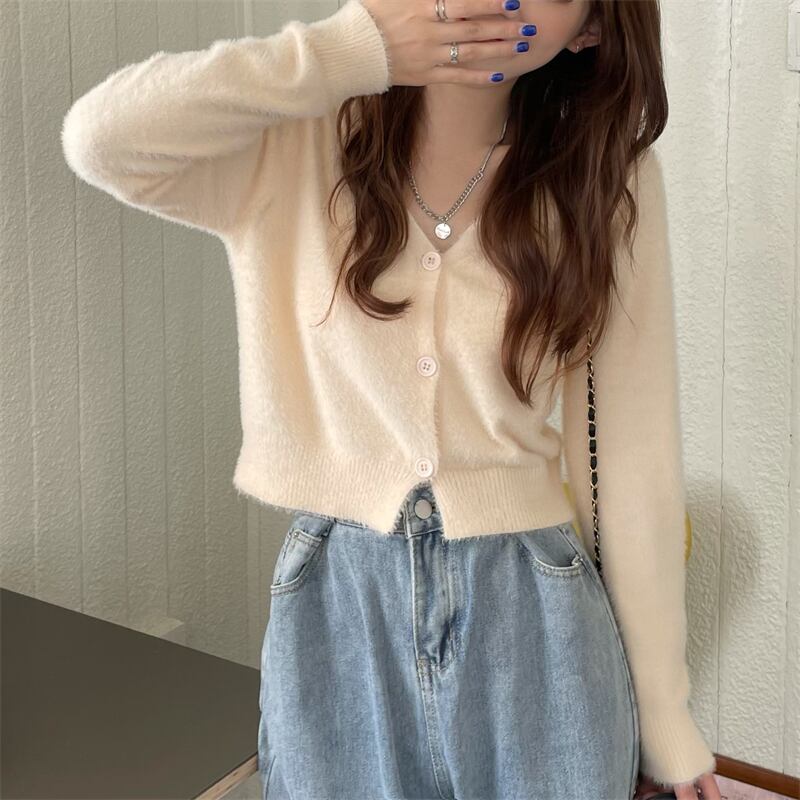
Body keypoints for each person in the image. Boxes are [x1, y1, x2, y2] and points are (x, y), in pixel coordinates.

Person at [60, 1, 721, 798]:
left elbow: (632, 460)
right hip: (338, 607)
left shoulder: (606, 182)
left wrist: (665, 718)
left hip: (536, 613)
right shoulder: (294, 142)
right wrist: (357, 45)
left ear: (589, 28)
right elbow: (101, 137)